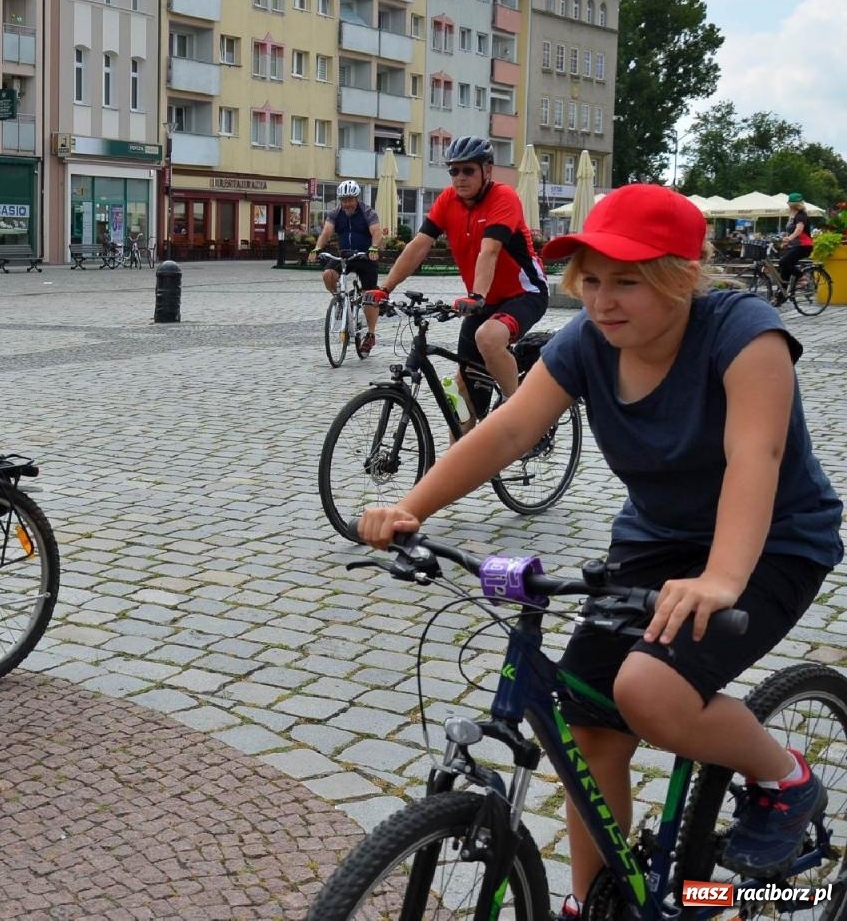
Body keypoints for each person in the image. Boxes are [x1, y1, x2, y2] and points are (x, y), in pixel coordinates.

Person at [357, 184, 839, 919]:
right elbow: (508, 432)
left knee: (649, 691)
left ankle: (786, 778)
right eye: (590, 281)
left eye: (628, 281)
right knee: (587, 724)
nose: (603, 300)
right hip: (656, 542)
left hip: (771, 541)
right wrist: (410, 506)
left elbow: (756, 455)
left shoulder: (746, 333)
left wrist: (720, 578)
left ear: (681, 276)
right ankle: (597, 902)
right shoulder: (587, 342)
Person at [366, 136, 545, 427]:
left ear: (487, 170)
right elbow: (419, 245)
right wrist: (385, 288)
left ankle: (520, 415)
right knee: (461, 397)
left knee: (487, 337)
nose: (459, 178)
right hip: (483, 301)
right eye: (454, 171)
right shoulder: (448, 200)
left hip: (525, 293)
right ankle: (459, 463)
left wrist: (476, 295)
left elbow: (490, 251)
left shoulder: (504, 198)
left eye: (467, 170)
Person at [312, 180, 384, 357]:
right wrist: (317, 248)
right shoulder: (335, 214)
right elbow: (327, 232)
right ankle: (339, 299)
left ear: (356, 198)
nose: (347, 203)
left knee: (369, 297)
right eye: (343, 200)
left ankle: (371, 334)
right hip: (346, 256)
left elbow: (376, 232)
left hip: (366, 257)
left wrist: (374, 248)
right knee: (328, 274)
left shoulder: (368, 212)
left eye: (350, 199)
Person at [773, 191, 813, 299]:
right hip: (795, 246)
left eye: (789, 204)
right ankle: (781, 297)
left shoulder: (801, 216)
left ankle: (802, 278)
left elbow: (799, 229)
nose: (788, 206)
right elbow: (790, 231)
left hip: (804, 246)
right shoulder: (792, 216)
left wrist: (790, 238)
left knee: (783, 262)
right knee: (784, 269)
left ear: (792, 205)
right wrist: (786, 241)